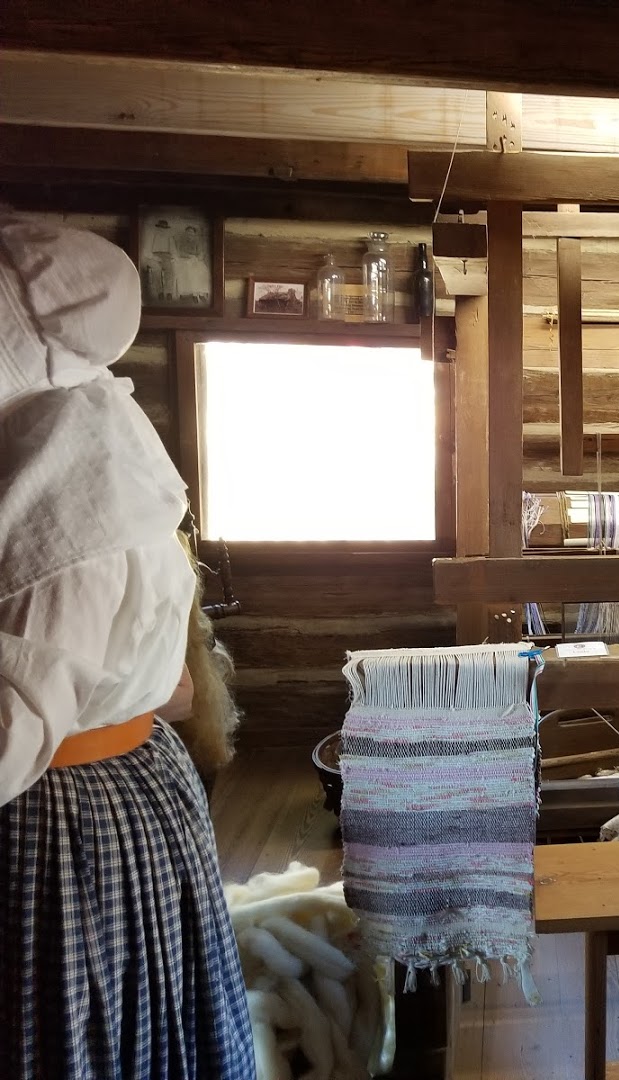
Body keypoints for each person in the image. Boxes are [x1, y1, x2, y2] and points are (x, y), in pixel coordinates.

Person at [0, 211, 255, 1078]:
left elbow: (10, 735)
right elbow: (171, 685)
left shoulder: (61, 503)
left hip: (63, 827)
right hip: (119, 792)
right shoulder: (86, 438)